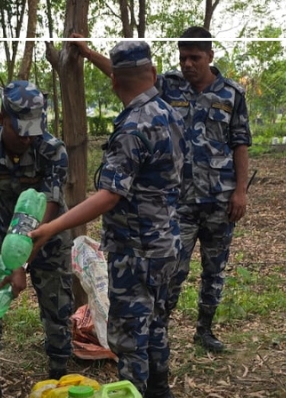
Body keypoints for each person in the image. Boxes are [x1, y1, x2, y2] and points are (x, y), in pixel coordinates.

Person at [29, 41, 186, 398]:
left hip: (137, 248)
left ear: (115, 82)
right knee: (157, 322)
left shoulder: (131, 129)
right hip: (168, 244)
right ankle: (161, 396)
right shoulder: (167, 109)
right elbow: (130, 77)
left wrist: (52, 228)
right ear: (152, 72)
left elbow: (109, 195)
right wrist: (86, 51)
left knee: (129, 333)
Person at [74, 27, 252, 353]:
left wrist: (240, 191)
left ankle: (205, 330)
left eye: (195, 58)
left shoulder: (232, 94)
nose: (187, 64)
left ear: (210, 56)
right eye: (183, 57)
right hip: (178, 203)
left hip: (219, 199)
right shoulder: (169, 85)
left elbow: (240, 144)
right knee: (171, 273)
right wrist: (87, 52)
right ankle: (159, 329)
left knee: (215, 270)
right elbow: (126, 76)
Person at [0, 79, 74, 398]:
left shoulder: (52, 149)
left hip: (48, 233)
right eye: (19, 129)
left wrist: (20, 261)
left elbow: (48, 209)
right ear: (1, 118)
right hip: (2, 229)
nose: (27, 138)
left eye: (32, 130)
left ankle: (60, 375)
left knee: (57, 307)